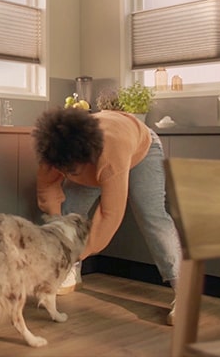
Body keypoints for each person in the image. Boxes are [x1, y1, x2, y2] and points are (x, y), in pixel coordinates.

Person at [32, 107, 181, 325]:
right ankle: (71, 271)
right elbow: (47, 189)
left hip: (142, 149)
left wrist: (80, 252)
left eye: (72, 171)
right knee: (70, 210)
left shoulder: (110, 156)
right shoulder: (54, 149)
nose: (66, 175)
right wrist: (61, 232)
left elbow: (110, 214)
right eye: (64, 171)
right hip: (96, 154)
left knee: (152, 216)